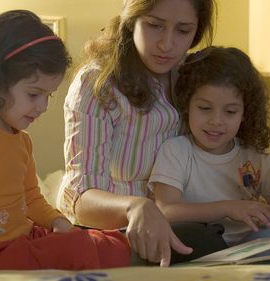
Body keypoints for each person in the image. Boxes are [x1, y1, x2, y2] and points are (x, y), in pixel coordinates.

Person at [0, 10, 130, 272]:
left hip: (22, 241)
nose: (43, 106)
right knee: (79, 247)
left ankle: (126, 244)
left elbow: (31, 198)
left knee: (104, 241)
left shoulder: (21, 141)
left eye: (48, 95)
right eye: (34, 94)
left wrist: (56, 220)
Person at [57, 0, 217, 266]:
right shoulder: (98, 83)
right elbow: (80, 199)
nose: (167, 44)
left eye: (183, 30)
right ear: (131, 20)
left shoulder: (193, 79)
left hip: (182, 223)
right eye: (154, 26)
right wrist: (135, 206)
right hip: (109, 230)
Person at [148, 46, 270, 247]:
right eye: (205, 108)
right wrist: (228, 208)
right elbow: (165, 210)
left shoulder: (253, 155)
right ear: (187, 105)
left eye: (230, 112)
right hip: (200, 246)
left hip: (250, 245)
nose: (216, 121)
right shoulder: (176, 151)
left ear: (245, 113)